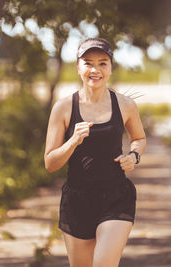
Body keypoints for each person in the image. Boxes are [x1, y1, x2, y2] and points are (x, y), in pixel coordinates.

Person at [44, 37, 146, 267]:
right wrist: (72, 141)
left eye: (102, 63)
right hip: (77, 200)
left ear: (110, 67)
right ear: (78, 67)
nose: (95, 69)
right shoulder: (63, 108)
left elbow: (139, 138)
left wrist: (134, 156)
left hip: (116, 197)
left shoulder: (125, 105)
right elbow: (50, 163)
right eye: (88, 63)